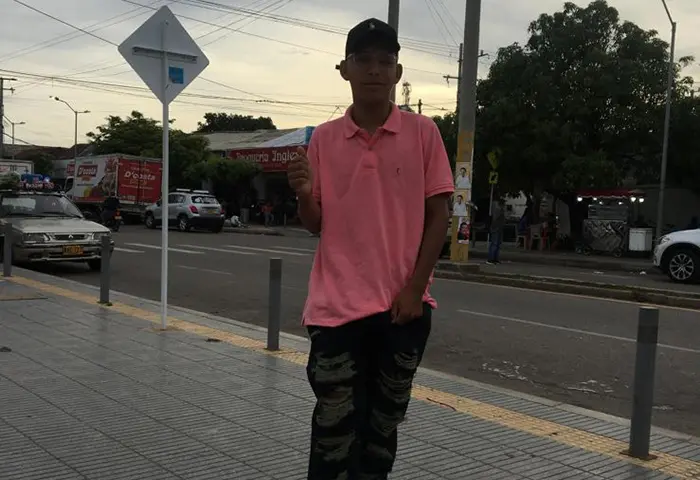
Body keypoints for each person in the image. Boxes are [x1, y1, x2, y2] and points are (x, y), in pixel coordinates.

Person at [287, 18, 453, 480]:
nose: (375, 70)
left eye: (385, 61)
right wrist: (303, 194)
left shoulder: (423, 133)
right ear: (345, 69)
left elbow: (439, 216)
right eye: (364, 60)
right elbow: (316, 224)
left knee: (381, 430)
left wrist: (415, 290)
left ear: (398, 72)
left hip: (402, 310)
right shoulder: (324, 138)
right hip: (335, 310)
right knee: (334, 430)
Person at [487, 198, 505, 264]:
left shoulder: (500, 210)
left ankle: (495, 258)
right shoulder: (498, 210)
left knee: (497, 244)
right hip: (496, 228)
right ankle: (491, 259)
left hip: (499, 228)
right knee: (495, 243)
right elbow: (495, 219)